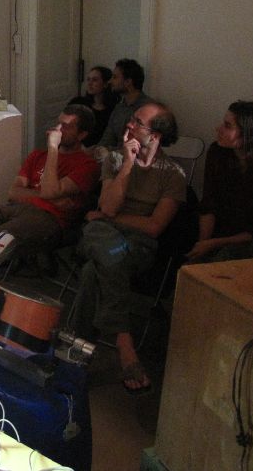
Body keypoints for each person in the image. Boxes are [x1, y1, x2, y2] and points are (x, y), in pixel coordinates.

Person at [70, 102, 186, 394]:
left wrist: (109, 218)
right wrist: (128, 165)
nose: (129, 125)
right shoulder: (114, 159)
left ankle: (75, 350)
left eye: (138, 122)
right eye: (131, 119)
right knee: (103, 243)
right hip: (102, 234)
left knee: (93, 271)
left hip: (137, 244)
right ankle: (124, 343)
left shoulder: (173, 175)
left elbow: (154, 227)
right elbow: (108, 205)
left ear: (155, 135)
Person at [0, 104, 100, 285]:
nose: (58, 130)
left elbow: (48, 191)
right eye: (58, 123)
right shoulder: (37, 156)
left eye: (66, 127)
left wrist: (53, 149)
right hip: (14, 209)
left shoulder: (87, 165)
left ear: (82, 135)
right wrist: (51, 197)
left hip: (47, 219)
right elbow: (14, 192)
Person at [187, 101, 253, 263]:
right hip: (219, 232)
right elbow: (208, 204)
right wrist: (203, 243)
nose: (218, 129)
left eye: (228, 126)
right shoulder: (218, 152)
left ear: (249, 133)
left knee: (226, 256)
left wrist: (213, 244)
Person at [95, 58, 153, 153]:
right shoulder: (119, 108)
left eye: (115, 77)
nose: (110, 81)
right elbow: (107, 139)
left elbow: (139, 147)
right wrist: (96, 150)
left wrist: (107, 151)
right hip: (112, 157)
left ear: (128, 82)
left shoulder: (148, 108)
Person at [69, 65, 119, 147]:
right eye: (88, 79)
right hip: (76, 147)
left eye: (95, 80)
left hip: (101, 149)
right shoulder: (78, 103)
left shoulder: (114, 109)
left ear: (105, 84)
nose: (90, 83)